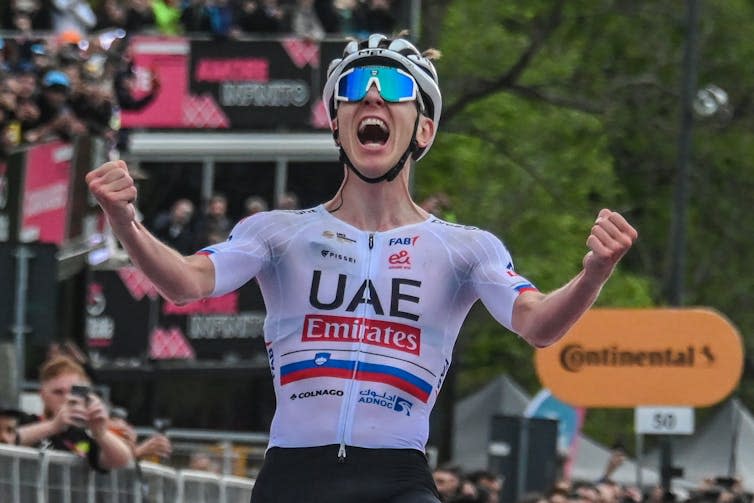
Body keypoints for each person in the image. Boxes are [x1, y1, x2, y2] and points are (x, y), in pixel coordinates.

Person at [85, 33, 637, 502]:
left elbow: (538, 325)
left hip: (397, 477)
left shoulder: (464, 248)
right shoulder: (278, 233)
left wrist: (594, 273)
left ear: (422, 130)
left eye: (394, 89)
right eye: (353, 90)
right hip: (292, 475)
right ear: (337, 125)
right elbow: (185, 283)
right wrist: (125, 222)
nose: (371, 99)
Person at [16, 355, 132, 471]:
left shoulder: (83, 434)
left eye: (73, 392)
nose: (67, 398)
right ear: (42, 395)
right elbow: (8, 438)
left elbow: (121, 460)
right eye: (58, 392)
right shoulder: (25, 421)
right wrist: (54, 426)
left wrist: (100, 433)